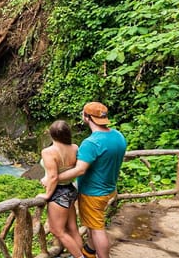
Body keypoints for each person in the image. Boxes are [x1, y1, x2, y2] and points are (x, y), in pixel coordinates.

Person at [57, 102, 127, 258]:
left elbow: (80, 169)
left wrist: (55, 178)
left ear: (87, 117)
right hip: (109, 188)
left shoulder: (91, 143)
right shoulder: (118, 136)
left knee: (97, 229)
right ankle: (89, 252)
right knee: (92, 224)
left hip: (93, 193)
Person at [36, 120, 84, 258]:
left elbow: (53, 177)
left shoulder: (48, 152)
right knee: (73, 229)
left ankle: (80, 257)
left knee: (57, 231)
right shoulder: (74, 148)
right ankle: (81, 254)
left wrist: (46, 195)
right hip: (70, 189)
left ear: (51, 134)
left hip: (58, 193)